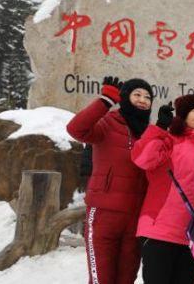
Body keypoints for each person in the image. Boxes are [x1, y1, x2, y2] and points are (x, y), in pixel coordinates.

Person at [66, 76, 153, 284]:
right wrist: (105, 101)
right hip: (104, 213)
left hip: (135, 218)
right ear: (125, 98)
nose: (143, 100)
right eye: (137, 95)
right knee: (101, 279)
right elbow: (76, 129)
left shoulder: (150, 133)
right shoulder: (108, 123)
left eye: (148, 97)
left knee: (126, 279)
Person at [131, 94, 194, 284]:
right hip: (160, 230)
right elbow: (143, 159)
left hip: (192, 234)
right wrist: (159, 128)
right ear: (183, 115)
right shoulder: (170, 140)